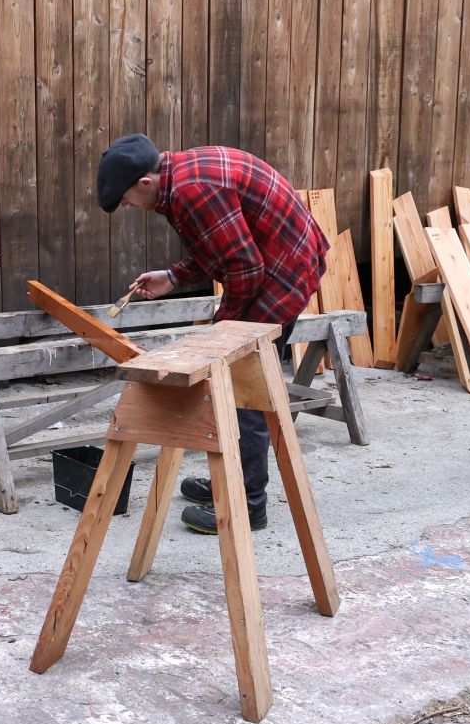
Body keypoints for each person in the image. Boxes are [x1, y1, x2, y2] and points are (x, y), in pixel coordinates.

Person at [97, 134, 328, 534]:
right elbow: (219, 246)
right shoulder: (180, 180)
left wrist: (223, 331)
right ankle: (232, 481)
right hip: (277, 264)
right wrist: (173, 276)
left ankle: (247, 503)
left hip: (282, 275)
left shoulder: (192, 191)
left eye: (128, 201)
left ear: (145, 183)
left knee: (242, 388)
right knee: (236, 382)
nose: (131, 207)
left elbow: (244, 269)